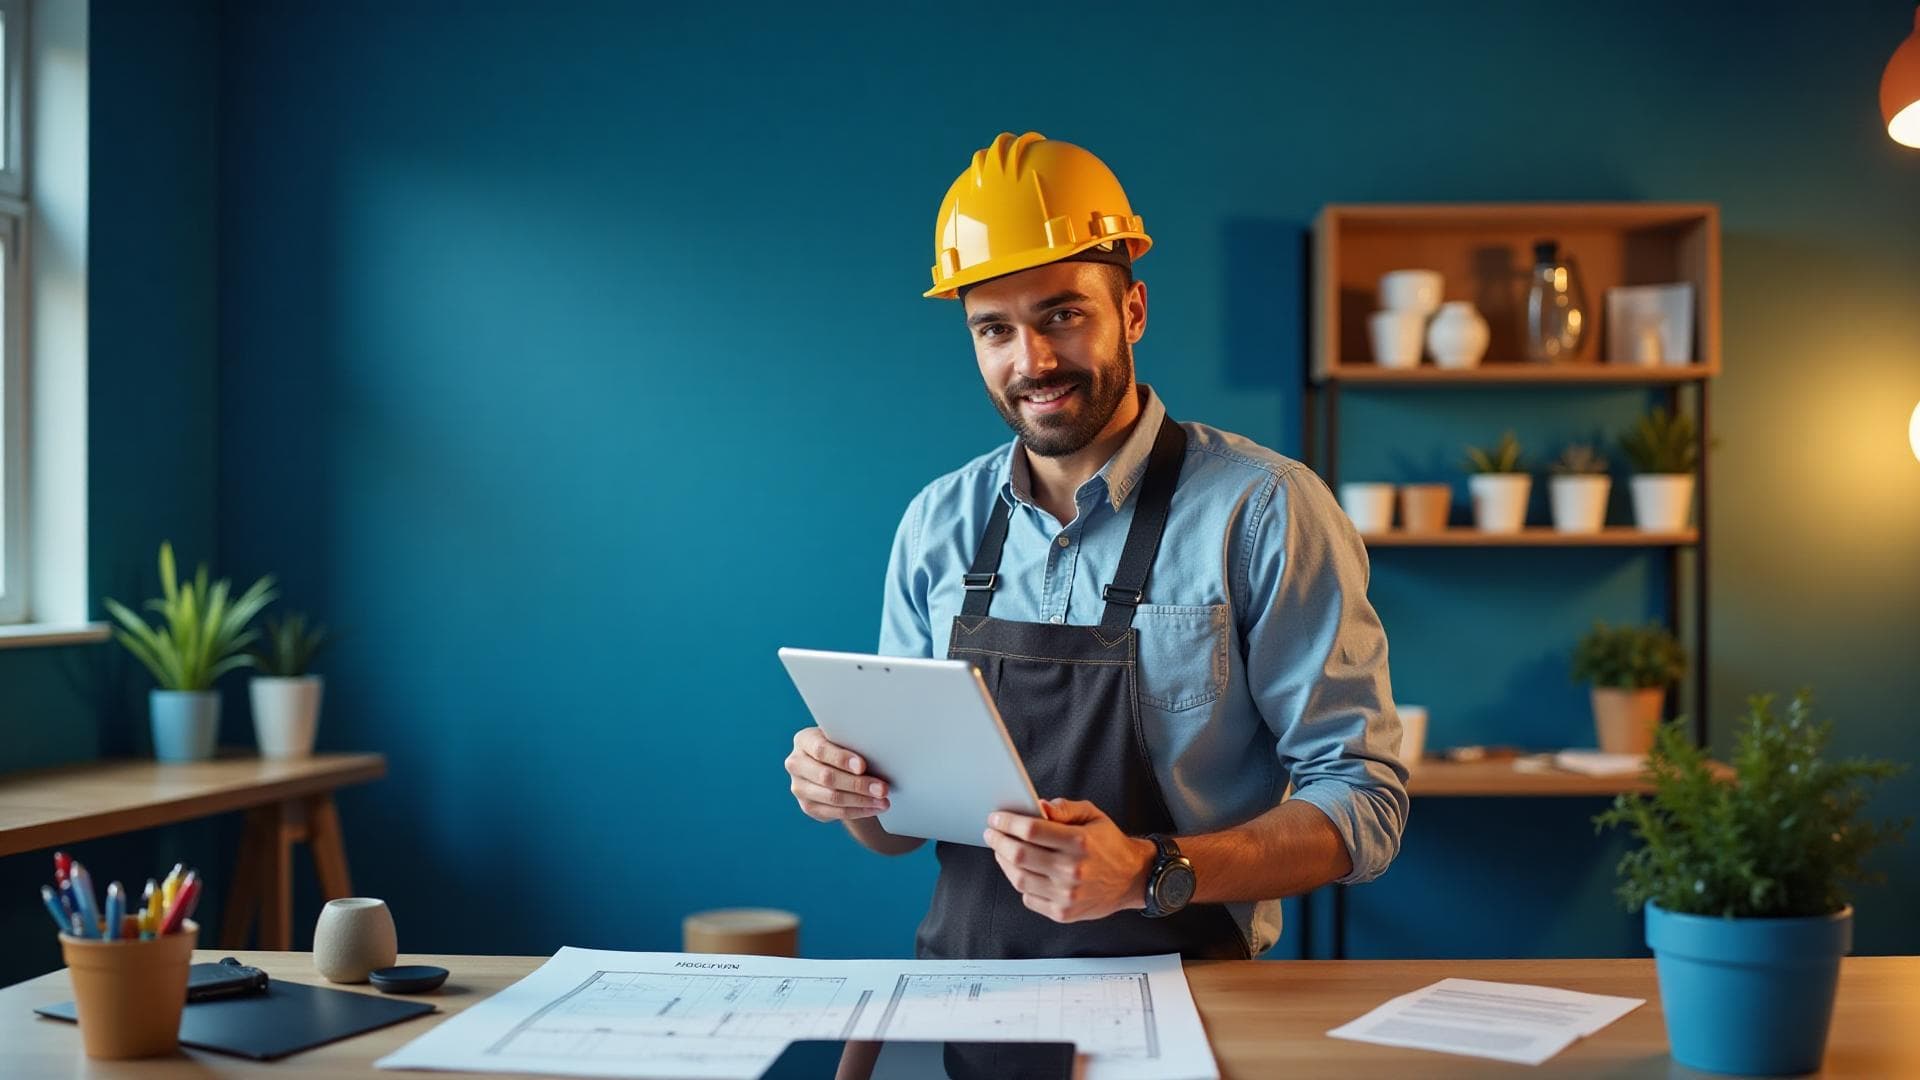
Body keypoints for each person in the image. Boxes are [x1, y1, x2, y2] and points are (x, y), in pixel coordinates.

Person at [784, 131, 1408, 960]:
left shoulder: (1264, 510)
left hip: (1191, 998)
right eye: (994, 330)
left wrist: (1151, 870)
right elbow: (897, 832)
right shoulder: (937, 523)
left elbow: (1363, 801)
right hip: (969, 999)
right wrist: (850, 795)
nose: (1031, 360)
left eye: (1063, 315)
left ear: (1133, 310)